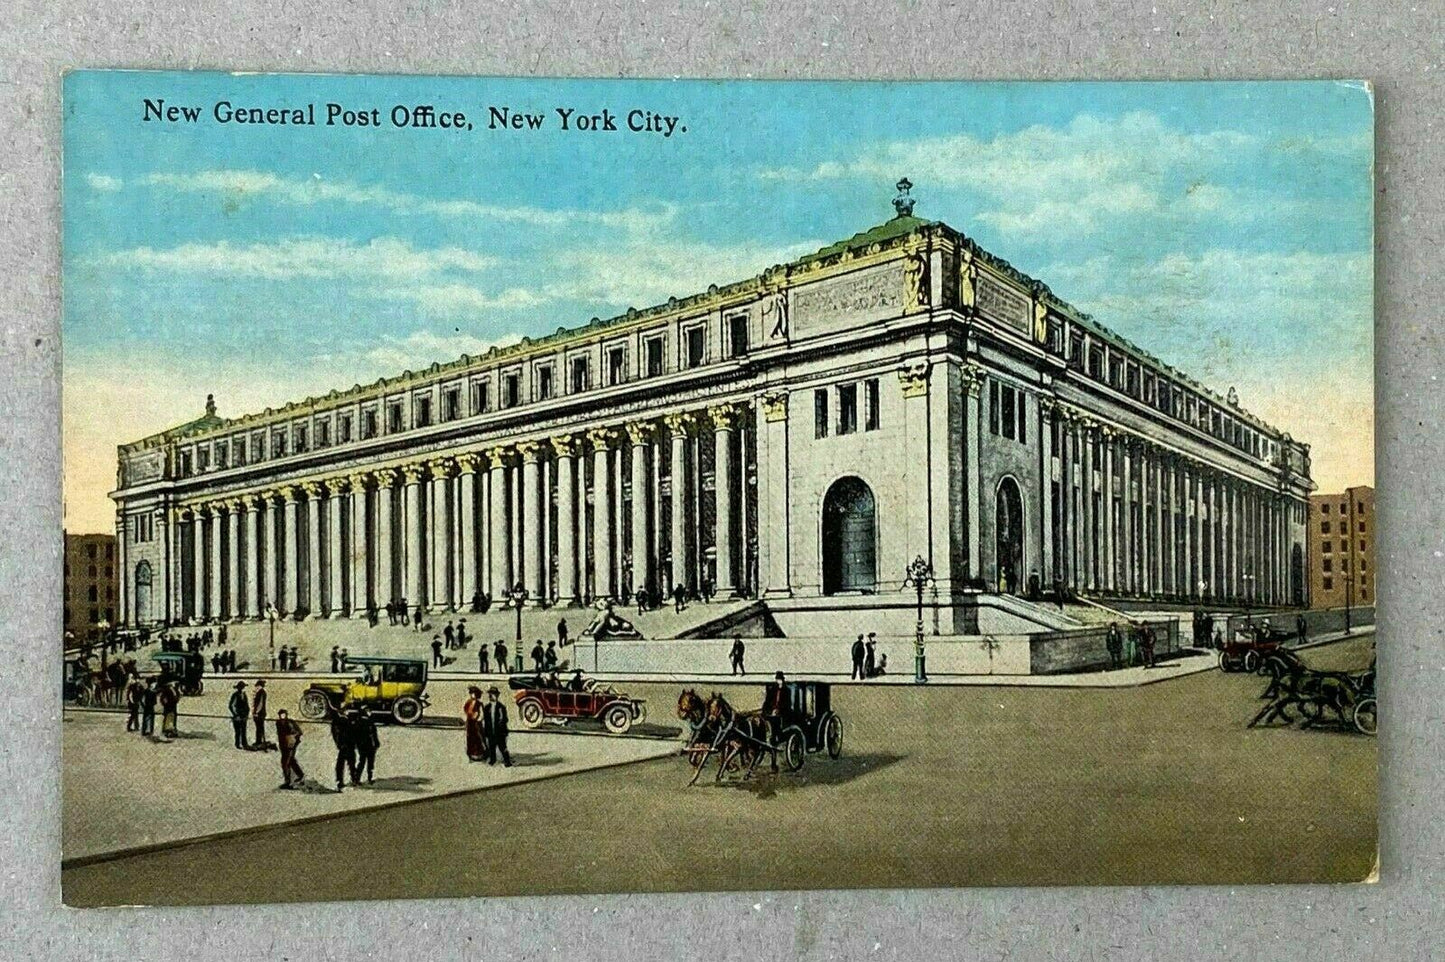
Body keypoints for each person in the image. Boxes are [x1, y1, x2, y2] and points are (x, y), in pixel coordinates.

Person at [761, 672, 787, 773]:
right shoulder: (773, 690)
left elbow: (787, 703)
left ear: (782, 680)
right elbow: (767, 701)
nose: (778, 681)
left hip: (781, 714)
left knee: (775, 730)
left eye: (779, 679)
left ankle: (775, 739)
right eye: (777, 679)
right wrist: (764, 710)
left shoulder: (786, 691)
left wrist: (779, 710)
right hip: (771, 713)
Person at [483, 686, 512, 767]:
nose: (491, 696)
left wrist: (502, 729)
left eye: (493, 694)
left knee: (502, 747)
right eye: (490, 694)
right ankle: (493, 760)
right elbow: (486, 721)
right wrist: (486, 732)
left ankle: (507, 761)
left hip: (499, 732)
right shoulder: (487, 707)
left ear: (497, 696)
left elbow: (504, 719)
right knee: (491, 747)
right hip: (491, 731)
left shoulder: (501, 707)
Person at [276, 709, 305, 789]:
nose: (282, 716)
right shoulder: (278, 723)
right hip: (283, 745)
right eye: (281, 715)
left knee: (285, 763)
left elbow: (299, 732)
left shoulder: (290, 722)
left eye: (284, 714)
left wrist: (293, 738)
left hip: (291, 745)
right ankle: (300, 775)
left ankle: (288, 782)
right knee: (291, 760)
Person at [330, 707, 357, 791]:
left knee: (350, 762)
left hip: (349, 745)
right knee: (343, 763)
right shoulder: (338, 721)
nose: (348, 712)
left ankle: (352, 779)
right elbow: (336, 734)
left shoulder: (347, 719)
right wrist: (339, 744)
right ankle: (341, 781)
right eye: (346, 711)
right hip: (345, 745)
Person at [353, 707, 379, 784]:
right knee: (369, 763)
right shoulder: (369, 722)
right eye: (368, 711)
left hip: (363, 746)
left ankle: (357, 779)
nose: (370, 712)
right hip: (369, 745)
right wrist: (376, 743)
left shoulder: (358, 722)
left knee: (362, 762)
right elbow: (374, 734)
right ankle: (369, 778)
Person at [463, 686, 485, 762]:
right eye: (472, 693)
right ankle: (471, 753)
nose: (473, 695)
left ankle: (478, 754)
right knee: (470, 737)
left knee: (477, 737)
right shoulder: (469, 702)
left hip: (476, 723)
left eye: (474, 694)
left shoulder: (479, 703)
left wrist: (478, 719)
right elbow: (465, 709)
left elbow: (481, 713)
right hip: (470, 722)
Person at [228, 681, 250, 750]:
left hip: (243, 716)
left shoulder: (244, 695)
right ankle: (237, 744)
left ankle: (244, 743)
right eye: (241, 687)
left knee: (243, 730)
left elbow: (246, 705)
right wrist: (236, 714)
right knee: (238, 731)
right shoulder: (235, 695)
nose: (242, 689)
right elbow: (231, 706)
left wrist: (247, 713)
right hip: (238, 716)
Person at [252, 678, 269, 748]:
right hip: (259, 713)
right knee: (259, 728)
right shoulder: (260, 692)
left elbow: (260, 704)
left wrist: (256, 712)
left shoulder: (261, 692)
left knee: (259, 728)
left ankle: (259, 741)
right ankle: (260, 741)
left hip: (260, 713)